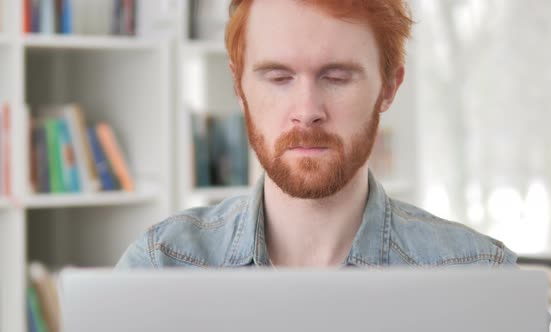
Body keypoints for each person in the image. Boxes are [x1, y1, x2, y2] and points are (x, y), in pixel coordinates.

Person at [116, 0, 516, 269]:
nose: (307, 112)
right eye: (278, 77)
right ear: (240, 88)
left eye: (337, 77)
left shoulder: (481, 272)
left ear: (389, 89)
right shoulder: (162, 263)